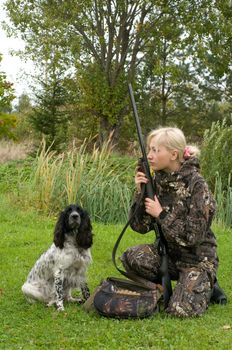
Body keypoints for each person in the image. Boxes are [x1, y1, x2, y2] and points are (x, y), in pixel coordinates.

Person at [121, 127, 227, 318]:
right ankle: (165, 287)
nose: (150, 155)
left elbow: (192, 237)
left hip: (197, 259)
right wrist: (141, 191)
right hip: (167, 256)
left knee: (179, 310)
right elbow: (140, 227)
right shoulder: (156, 181)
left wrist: (161, 214)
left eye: (155, 150)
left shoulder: (197, 185)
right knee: (131, 257)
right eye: (149, 149)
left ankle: (206, 283)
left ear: (173, 154)